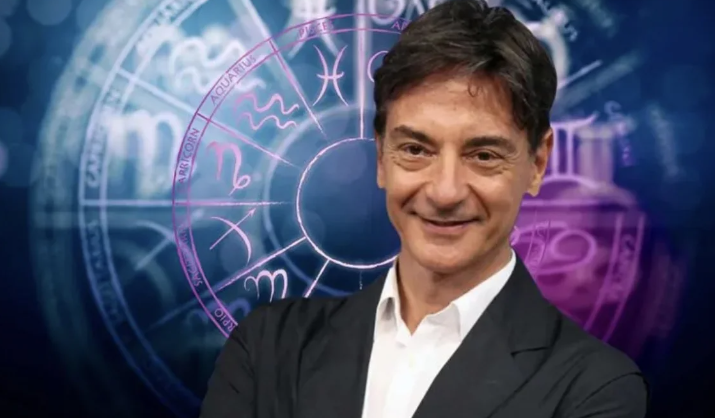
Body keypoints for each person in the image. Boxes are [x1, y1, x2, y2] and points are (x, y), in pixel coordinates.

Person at [199, 1, 649, 417]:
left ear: (537, 163)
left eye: (483, 155)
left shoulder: (593, 389)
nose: (445, 192)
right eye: (416, 149)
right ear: (381, 156)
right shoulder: (268, 350)